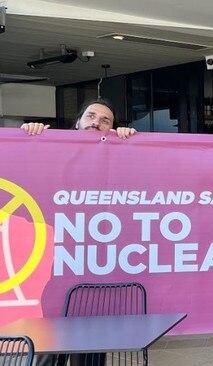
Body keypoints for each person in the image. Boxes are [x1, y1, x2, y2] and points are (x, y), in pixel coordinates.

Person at [23, 98, 136, 366]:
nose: (96, 123)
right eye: (91, 116)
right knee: (47, 351)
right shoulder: (48, 148)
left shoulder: (118, 158)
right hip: (53, 268)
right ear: (78, 122)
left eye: (105, 120)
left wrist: (130, 142)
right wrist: (27, 135)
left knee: (91, 352)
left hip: (94, 270)